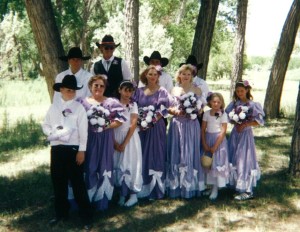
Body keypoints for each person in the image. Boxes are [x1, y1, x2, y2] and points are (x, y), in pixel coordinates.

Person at [42, 74, 93, 230]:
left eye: (73, 90)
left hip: (73, 150)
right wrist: (52, 132)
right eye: (68, 90)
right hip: (57, 149)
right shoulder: (54, 107)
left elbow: (84, 132)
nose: (71, 93)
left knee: (78, 183)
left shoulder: (79, 108)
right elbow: (45, 124)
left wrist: (81, 151)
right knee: (59, 182)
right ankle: (61, 214)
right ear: (61, 90)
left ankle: (86, 217)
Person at [78, 75, 126, 210]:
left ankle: (102, 202)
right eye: (96, 85)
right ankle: (86, 200)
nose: (98, 88)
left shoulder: (111, 102)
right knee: (90, 166)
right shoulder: (83, 102)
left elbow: (119, 121)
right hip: (89, 139)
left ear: (105, 88)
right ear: (90, 87)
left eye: (101, 86)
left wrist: (105, 125)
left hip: (105, 139)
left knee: (104, 167)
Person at [133, 65, 172, 200]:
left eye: (155, 74)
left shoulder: (162, 91)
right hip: (141, 128)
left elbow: (168, 108)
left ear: (158, 77)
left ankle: (156, 189)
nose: (153, 76)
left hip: (156, 126)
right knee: (142, 154)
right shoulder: (138, 91)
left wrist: (153, 119)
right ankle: (142, 186)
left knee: (155, 154)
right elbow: (133, 107)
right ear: (145, 76)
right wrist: (141, 120)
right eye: (150, 74)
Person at [166, 64, 205, 199]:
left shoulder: (197, 90)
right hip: (178, 124)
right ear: (179, 75)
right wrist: (177, 111)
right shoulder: (174, 90)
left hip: (192, 124)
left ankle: (189, 186)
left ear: (192, 76)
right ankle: (175, 186)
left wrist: (195, 110)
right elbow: (168, 108)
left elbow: (201, 108)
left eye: (189, 74)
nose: (186, 76)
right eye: (184, 74)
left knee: (189, 151)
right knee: (177, 151)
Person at [225, 80, 265, 201]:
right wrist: (234, 120)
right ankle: (237, 186)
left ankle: (247, 190)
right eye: (237, 91)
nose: (239, 93)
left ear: (247, 90)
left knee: (245, 158)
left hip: (245, 135)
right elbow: (228, 117)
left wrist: (246, 123)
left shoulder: (252, 105)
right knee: (235, 157)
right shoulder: (234, 104)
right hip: (235, 134)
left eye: (242, 91)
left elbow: (259, 121)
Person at [113, 80, 143, 207]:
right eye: (125, 90)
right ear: (120, 90)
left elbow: (133, 124)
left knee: (130, 164)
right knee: (118, 164)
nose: (127, 93)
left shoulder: (133, 105)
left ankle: (133, 195)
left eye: (130, 91)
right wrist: (114, 142)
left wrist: (124, 143)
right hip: (116, 136)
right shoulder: (113, 104)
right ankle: (121, 194)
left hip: (129, 138)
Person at [201, 92, 229, 200]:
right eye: (214, 101)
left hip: (219, 141)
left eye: (218, 102)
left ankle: (215, 188)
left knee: (217, 163)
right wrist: (204, 143)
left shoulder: (223, 114)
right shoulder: (207, 114)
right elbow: (203, 129)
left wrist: (215, 146)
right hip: (208, 138)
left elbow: (223, 131)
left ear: (221, 103)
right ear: (210, 102)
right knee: (208, 163)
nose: (216, 104)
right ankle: (209, 186)